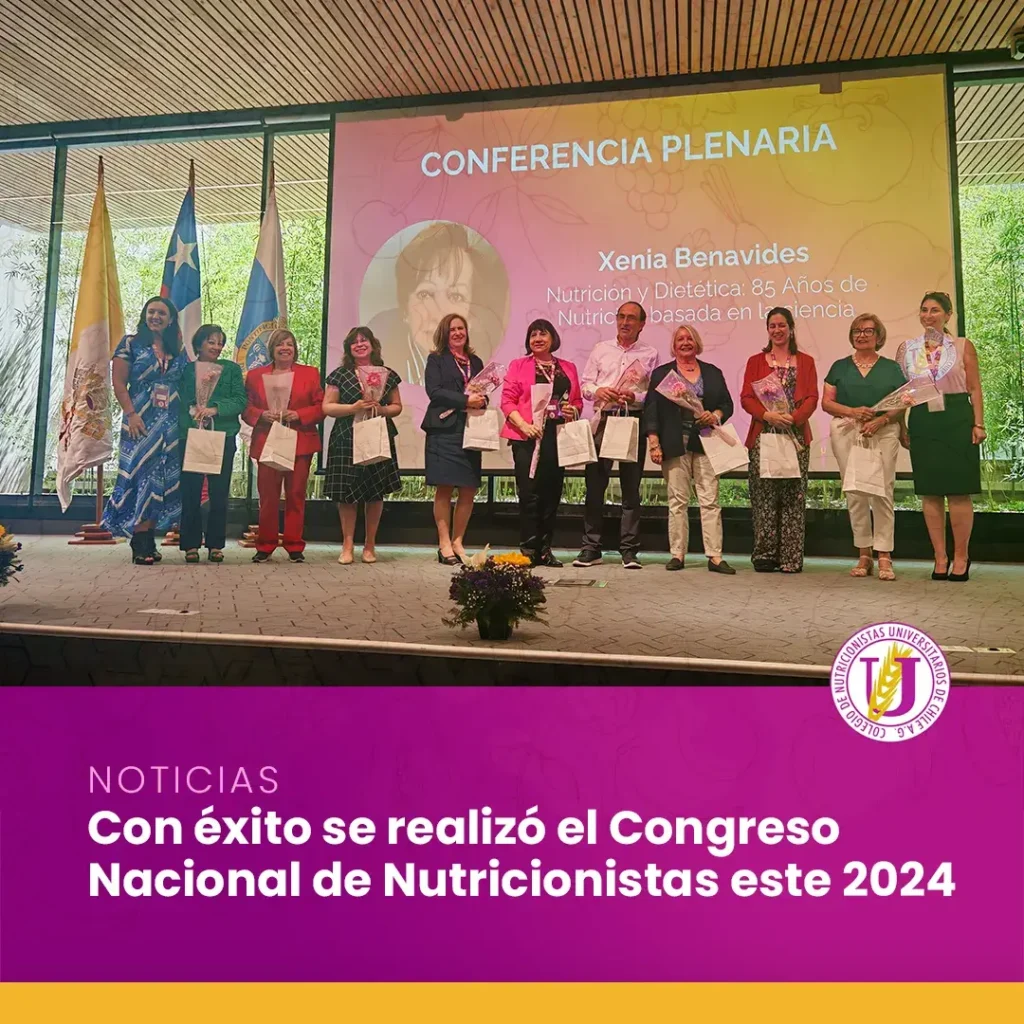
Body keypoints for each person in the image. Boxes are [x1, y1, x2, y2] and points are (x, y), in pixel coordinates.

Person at [895, 291, 985, 582]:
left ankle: (961, 556)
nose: (928, 315)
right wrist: (902, 425)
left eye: (935, 310)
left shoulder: (961, 345)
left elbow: (975, 388)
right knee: (930, 491)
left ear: (948, 315)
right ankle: (940, 557)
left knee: (958, 490)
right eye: (924, 310)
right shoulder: (908, 349)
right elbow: (903, 392)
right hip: (923, 418)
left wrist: (979, 424)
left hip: (957, 417)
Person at [102, 296, 189, 565]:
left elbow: (187, 381)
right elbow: (118, 382)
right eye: (151, 312)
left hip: (169, 423)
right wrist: (131, 414)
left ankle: (149, 537)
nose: (155, 317)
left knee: (161, 478)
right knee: (142, 475)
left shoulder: (177, 348)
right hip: (139, 419)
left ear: (171, 319)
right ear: (144, 315)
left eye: (161, 313)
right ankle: (139, 540)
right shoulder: (130, 343)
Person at [574, 301, 660, 569]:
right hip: (603, 419)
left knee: (631, 488)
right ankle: (591, 547)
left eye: (631, 318)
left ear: (642, 324)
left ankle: (629, 550)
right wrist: (598, 391)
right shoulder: (601, 348)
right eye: (621, 317)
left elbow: (653, 394)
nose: (625, 322)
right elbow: (586, 385)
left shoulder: (650, 353)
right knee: (595, 486)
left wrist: (636, 397)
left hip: (632, 419)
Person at [644, 324, 736, 574]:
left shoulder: (713, 372)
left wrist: (715, 415)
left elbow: (727, 404)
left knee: (710, 500)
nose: (685, 343)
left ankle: (715, 556)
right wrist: (654, 442)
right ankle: (677, 554)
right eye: (680, 339)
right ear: (674, 346)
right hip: (675, 442)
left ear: (697, 343)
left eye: (690, 339)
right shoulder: (662, 374)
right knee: (678, 500)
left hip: (707, 441)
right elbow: (651, 410)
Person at [822, 313, 907, 581]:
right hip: (848, 430)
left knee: (883, 490)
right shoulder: (839, 367)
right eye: (857, 331)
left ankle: (884, 554)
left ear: (878, 336)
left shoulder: (892, 368)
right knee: (855, 491)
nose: (862, 335)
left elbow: (902, 402)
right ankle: (863, 553)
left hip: (884, 431)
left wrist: (882, 420)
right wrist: (853, 412)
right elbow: (827, 403)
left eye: (868, 331)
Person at [740, 307, 819, 573]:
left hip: (795, 437)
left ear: (791, 328)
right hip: (763, 435)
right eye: (772, 326)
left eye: (782, 325)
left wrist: (793, 419)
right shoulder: (755, 361)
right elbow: (746, 398)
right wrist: (768, 416)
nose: (777, 330)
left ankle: (790, 557)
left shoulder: (806, 361)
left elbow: (812, 398)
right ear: (767, 330)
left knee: (793, 496)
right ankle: (765, 554)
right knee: (764, 496)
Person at [500, 319, 583, 567]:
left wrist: (572, 411)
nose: (537, 339)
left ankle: (545, 550)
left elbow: (577, 402)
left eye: (542, 334)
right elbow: (507, 401)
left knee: (551, 494)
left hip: (557, 438)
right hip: (527, 437)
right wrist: (524, 426)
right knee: (529, 495)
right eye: (533, 335)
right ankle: (529, 550)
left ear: (552, 338)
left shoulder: (568, 367)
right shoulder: (518, 365)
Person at [242, 329, 324, 563]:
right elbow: (246, 408)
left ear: (295, 349)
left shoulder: (310, 373)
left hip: (300, 440)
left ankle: (294, 544)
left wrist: (299, 414)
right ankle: (265, 545)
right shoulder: (255, 376)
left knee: (296, 494)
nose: (285, 348)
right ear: (272, 350)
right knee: (268, 497)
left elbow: (321, 406)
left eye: (289, 344)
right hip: (267, 440)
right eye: (279, 344)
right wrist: (261, 414)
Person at [322, 327, 403, 565]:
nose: (359, 344)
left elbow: (397, 406)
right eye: (354, 342)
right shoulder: (339, 375)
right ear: (349, 348)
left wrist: (382, 409)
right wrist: (353, 408)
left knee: (375, 492)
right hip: (346, 436)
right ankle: (347, 545)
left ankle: (370, 545)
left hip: (377, 434)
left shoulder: (387, 374)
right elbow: (327, 407)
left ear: (372, 344)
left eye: (363, 340)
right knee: (347, 493)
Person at [177, 324, 247, 563]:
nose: (217, 347)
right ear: (199, 344)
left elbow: (240, 400)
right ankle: (190, 544)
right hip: (191, 436)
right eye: (211, 342)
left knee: (219, 493)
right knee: (191, 492)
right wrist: (194, 411)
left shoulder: (231, 369)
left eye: (220, 343)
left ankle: (216, 544)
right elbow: (180, 399)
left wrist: (215, 410)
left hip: (222, 436)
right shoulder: (187, 370)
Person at [422, 313, 486, 565]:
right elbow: (434, 392)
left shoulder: (476, 361)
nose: (458, 333)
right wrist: (465, 400)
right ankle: (444, 544)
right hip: (444, 430)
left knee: (469, 487)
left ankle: (458, 541)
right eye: (452, 330)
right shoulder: (436, 359)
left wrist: (481, 400)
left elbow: (484, 392)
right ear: (445, 334)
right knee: (445, 487)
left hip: (470, 429)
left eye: (461, 328)